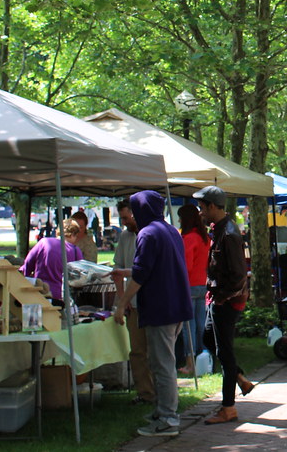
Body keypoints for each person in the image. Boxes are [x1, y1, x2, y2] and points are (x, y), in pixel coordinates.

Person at [113, 190, 193, 438]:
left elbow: (141, 274)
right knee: (161, 362)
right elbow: (154, 267)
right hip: (176, 305)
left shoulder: (147, 233)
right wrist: (125, 273)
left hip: (161, 307)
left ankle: (168, 418)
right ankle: (161, 411)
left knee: (163, 364)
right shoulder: (170, 231)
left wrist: (121, 303)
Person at [195, 185, 254, 425]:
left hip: (227, 301)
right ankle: (240, 378)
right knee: (208, 339)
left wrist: (223, 297)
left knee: (224, 352)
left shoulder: (229, 234)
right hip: (219, 297)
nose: (200, 212)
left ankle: (228, 407)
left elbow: (239, 275)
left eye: (202, 207)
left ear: (212, 206)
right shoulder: (219, 230)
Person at [110, 199, 155, 406]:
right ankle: (145, 393)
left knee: (155, 351)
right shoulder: (125, 237)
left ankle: (161, 392)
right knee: (137, 351)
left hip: (152, 302)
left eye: (126, 217)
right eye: (122, 218)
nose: (124, 222)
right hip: (133, 304)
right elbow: (117, 270)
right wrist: (123, 298)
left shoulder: (150, 235)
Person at [175, 203, 209, 373]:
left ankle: (190, 363)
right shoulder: (205, 237)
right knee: (201, 324)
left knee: (189, 327)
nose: (179, 221)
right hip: (202, 283)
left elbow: (186, 266)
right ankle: (204, 358)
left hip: (189, 285)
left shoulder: (188, 238)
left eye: (180, 218)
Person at [20, 218, 84, 300]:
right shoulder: (75, 251)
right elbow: (80, 278)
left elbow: (27, 267)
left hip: (40, 293)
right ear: (72, 235)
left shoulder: (44, 243)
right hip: (63, 296)